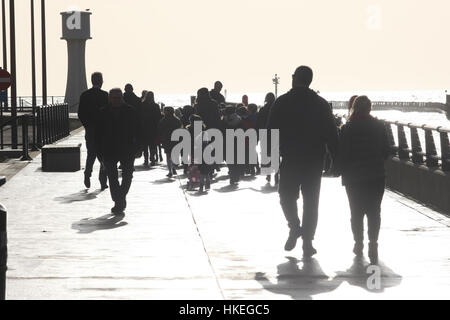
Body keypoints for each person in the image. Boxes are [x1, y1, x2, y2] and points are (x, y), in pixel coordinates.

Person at [267, 66, 339, 257]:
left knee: (286, 196)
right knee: (311, 201)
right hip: (314, 160)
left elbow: (271, 133)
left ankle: (294, 226)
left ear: (294, 78)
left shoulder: (282, 102)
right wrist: (336, 159)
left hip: (290, 158)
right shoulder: (321, 104)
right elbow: (332, 134)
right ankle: (307, 241)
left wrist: (270, 159)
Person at [336, 96, 390, 265]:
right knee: (374, 211)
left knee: (356, 212)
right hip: (375, 175)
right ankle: (373, 243)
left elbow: (342, 153)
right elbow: (386, 151)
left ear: (354, 108)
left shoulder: (348, 128)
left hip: (354, 177)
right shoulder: (379, 126)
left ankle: (358, 243)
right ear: (370, 108)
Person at [96, 88, 139, 214]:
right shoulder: (103, 112)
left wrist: (138, 147)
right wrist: (99, 153)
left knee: (128, 175)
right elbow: (98, 135)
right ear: (109, 98)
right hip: (108, 149)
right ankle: (118, 200)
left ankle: (120, 198)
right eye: (114, 98)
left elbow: (138, 130)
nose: (116, 101)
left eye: (119, 98)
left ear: (122, 98)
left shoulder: (131, 111)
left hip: (127, 148)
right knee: (112, 176)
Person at [78, 72, 108, 190]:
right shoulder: (105, 95)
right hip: (103, 131)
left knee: (91, 154)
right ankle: (103, 180)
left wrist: (87, 125)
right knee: (104, 156)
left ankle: (87, 174)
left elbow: (80, 113)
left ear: (91, 81)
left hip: (90, 130)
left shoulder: (85, 95)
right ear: (101, 81)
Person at [257, 93, 278, 184]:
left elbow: (259, 123)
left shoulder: (262, 109)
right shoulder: (277, 108)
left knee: (266, 154)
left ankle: (268, 175)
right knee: (275, 154)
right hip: (275, 133)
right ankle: (277, 174)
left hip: (264, 134)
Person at [222, 106, 245, 185]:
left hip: (227, 142)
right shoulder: (239, 119)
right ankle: (236, 176)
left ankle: (232, 176)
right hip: (237, 142)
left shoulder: (223, 120)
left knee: (230, 161)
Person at [158, 107, 182, 178]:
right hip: (175, 139)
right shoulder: (177, 120)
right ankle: (174, 167)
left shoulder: (163, 120)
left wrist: (160, 139)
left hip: (167, 139)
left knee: (168, 156)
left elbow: (159, 130)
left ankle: (170, 171)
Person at [141, 91, 163, 166]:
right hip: (153, 128)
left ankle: (146, 160)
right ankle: (152, 159)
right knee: (152, 145)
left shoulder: (142, 105)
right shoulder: (156, 106)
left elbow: (140, 117)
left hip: (144, 128)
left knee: (145, 145)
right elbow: (159, 117)